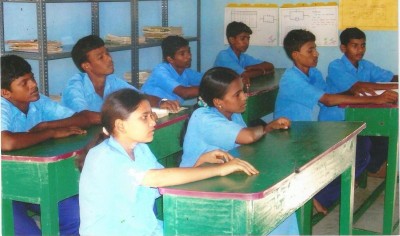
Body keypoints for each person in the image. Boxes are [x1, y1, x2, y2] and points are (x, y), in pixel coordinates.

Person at [78, 88, 259, 235]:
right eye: (144, 117)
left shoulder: (139, 148)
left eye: (152, 116)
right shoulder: (104, 157)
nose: (152, 123)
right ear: (120, 125)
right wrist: (220, 170)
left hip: (146, 230)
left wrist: (200, 162)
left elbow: (167, 183)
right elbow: (157, 179)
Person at [273, 29, 398, 214]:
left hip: (312, 130)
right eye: (310, 50)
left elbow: (331, 95)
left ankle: (331, 187)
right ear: (295, 55)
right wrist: (375, 99)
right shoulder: (291, 78)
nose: (316, 53)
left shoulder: (313, 73)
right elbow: (328, 100)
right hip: (293, 135)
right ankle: (317, 195)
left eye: (315, 49)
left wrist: (352, 92)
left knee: (363, 147)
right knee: (359, 151)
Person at [180, 67, 298, 235]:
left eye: (243, 91)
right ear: (218, 101)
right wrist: (269, 127)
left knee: (282, 206)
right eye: (237, 94)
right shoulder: (203, 117)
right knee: (267, 210)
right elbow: (247, 137)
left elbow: (245, 147)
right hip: (195, 191)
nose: (244, 96)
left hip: (222, 182)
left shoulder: (232, 113)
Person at [1, 55, 100, 235]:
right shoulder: (2, 106)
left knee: (77, 216)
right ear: (5, 93)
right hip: (3, 190)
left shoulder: (38, 101)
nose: (33, 85)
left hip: (31, 181)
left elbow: (84, 118)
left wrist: (47, 125)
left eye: (32, 78)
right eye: (24, 83)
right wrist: (50, 133)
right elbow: (6, 142)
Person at [319, 27, 398, 178]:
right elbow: (357, 87)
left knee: (386, 135)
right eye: (354, 45)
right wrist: (394, 86)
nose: (360, 49)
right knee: (367, 143)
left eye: (363, 45)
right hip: (337, 120)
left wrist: (395, 81)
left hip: (359, 119)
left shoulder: (366, 65)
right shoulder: (335, 66)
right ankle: (355, 173)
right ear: (343, 48)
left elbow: (389, 77)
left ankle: (365, 169)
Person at [61, 35, 180, 115]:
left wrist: (161, 102)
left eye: (107, 53)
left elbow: (138, 97)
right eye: (101, 57)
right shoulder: (75, 87)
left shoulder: (112, 81)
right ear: (86, 66)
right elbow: (84, 117)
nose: (109, 59)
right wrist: (122, 118)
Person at [141, 35, 202, 104]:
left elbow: (207, 80)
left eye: (189, 51)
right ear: (170, 59)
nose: (188, 56)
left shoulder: (186, 71)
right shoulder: (160, 71)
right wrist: (211, 88)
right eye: (182, 54)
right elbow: (184, 93)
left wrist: (213, 83)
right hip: (151, 112)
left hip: (171, 112)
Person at [214, 21, 274, 85]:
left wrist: (254, 67)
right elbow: (245, 75)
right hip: (217, 91)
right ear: (232, 40)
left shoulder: (243, 57)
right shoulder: (223, 56)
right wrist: (263, 71)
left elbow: (270, 65)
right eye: (242, 39)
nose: (247, 42)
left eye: (248, 39)